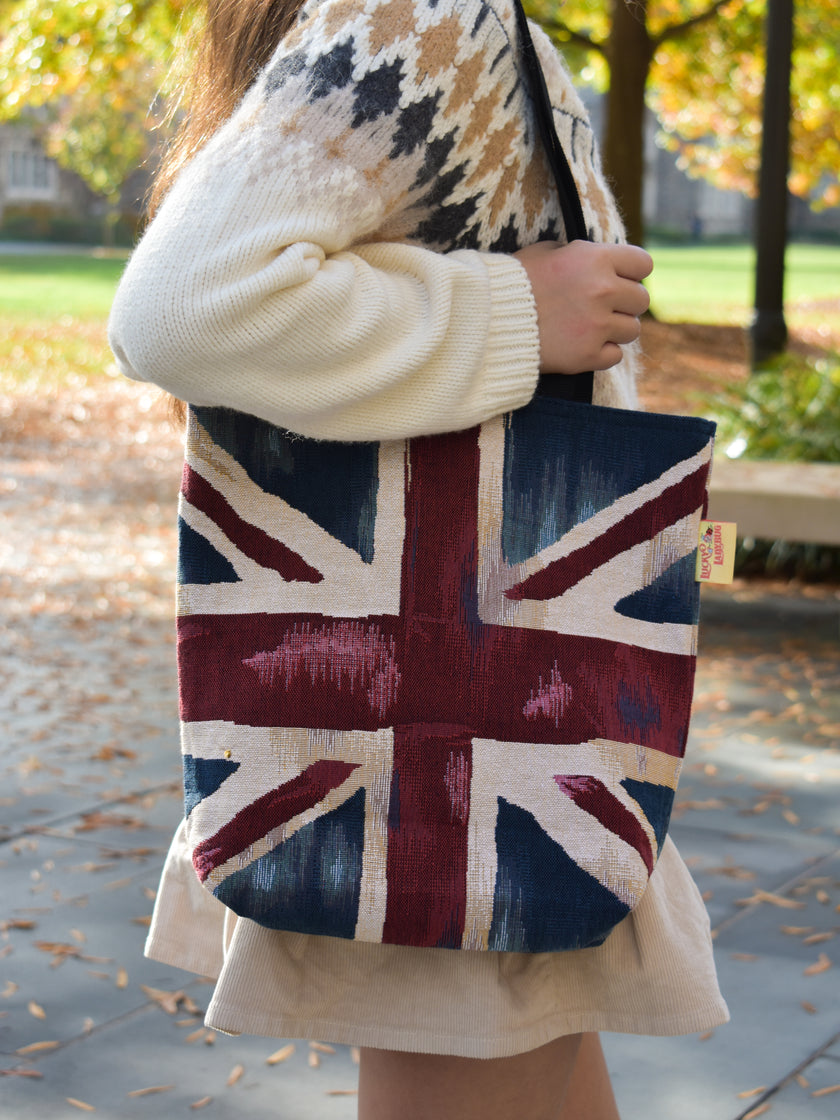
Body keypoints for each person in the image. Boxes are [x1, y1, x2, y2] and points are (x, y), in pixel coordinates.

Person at [108, 0, 728, 1116]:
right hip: (458, 718)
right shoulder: (426, 16)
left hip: (484, 709)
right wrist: (512, 315)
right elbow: (179, 310)